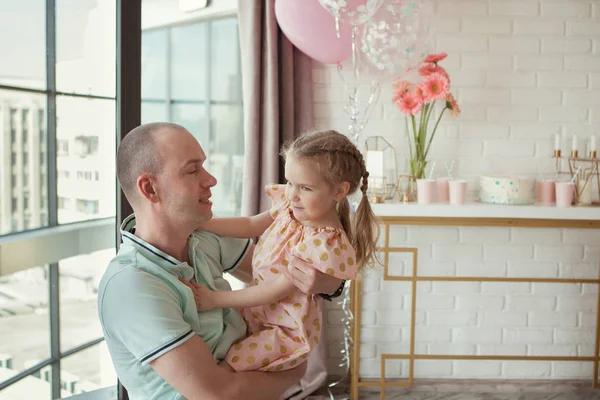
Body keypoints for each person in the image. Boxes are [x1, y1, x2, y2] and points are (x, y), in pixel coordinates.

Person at [97, 122, 344, 400]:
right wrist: (294, 373)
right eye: (192, 170)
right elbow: (218, 394)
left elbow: (283, 279)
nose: (211, 179)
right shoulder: (132, 284)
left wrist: (329, 283)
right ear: (150, 189)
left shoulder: (204, 237)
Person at [180, 129, 380, 373]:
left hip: (282, 331)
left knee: (226, 371)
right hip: (257, 313)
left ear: (339, 192)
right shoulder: (290, 208)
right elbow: (250, 224)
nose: (292, 195)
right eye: (289, 183)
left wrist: (214, 300)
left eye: (305, 188)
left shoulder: (322, 244)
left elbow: (273, 292)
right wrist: (202, 222)